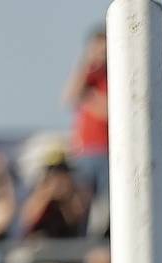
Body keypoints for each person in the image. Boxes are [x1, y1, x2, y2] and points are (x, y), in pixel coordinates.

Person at [62, 28, 109, 205]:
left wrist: (87, 98)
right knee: (82, 204)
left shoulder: (116, 75)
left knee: (106, 206)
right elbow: (68, 98)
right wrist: (85, 65)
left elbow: (111, 112)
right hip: (83, 152)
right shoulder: (87, 75)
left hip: (108, 152)